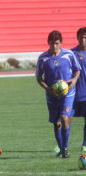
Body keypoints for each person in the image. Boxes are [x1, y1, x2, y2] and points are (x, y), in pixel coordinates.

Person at [36, 30, 81, 158]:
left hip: (68, 93)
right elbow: (39, 78)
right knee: (56, 123)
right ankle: (61, 148)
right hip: (52, 96)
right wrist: (48, 88)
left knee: (64, 117)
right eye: (51, 43)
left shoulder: (69, 54)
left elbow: (77, 70)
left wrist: (74, 80)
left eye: (56, 43)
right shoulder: (43, 58)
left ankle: (65, 148)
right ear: (48, 43)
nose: (54, 46)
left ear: (61, 43)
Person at [70, 27, 86, 153]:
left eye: (85, 38)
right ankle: (62, 145)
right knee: (65, 120)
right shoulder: (71, 53)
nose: (83, 40)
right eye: (81, 37)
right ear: (77, 38)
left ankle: (85, 144)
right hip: (72, 94)